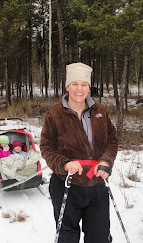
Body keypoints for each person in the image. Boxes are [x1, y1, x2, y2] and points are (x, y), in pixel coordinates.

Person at [40, 62, 118, 243]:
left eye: (84, 84)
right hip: (66, 184)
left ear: (89, 87)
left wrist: (106, 162)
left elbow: (112, 141)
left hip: (97, 184)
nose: (79, 89)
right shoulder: (54, 114)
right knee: (67, 236)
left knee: (99, 237)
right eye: (75, 83)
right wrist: (64, 163)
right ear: (67, 86)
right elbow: (47, 147)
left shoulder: (100, 111)